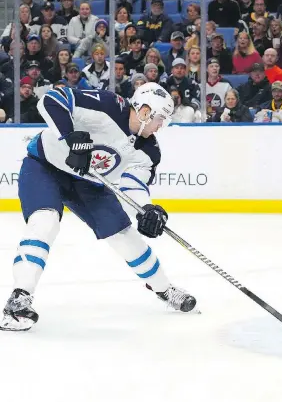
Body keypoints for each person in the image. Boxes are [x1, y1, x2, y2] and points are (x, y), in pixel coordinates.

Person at [0, 83, 197, 332]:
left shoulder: (149, 151)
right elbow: (51, 99)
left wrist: (147, 209)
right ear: (145, 111)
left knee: (125, 236)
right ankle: (19, 299)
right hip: (45, 166)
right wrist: (70, 136)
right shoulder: (107, 105)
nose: (161, 126)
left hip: (89, 183)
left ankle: (164, 289)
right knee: (44, 222)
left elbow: (133, 185)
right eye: (160, 119)